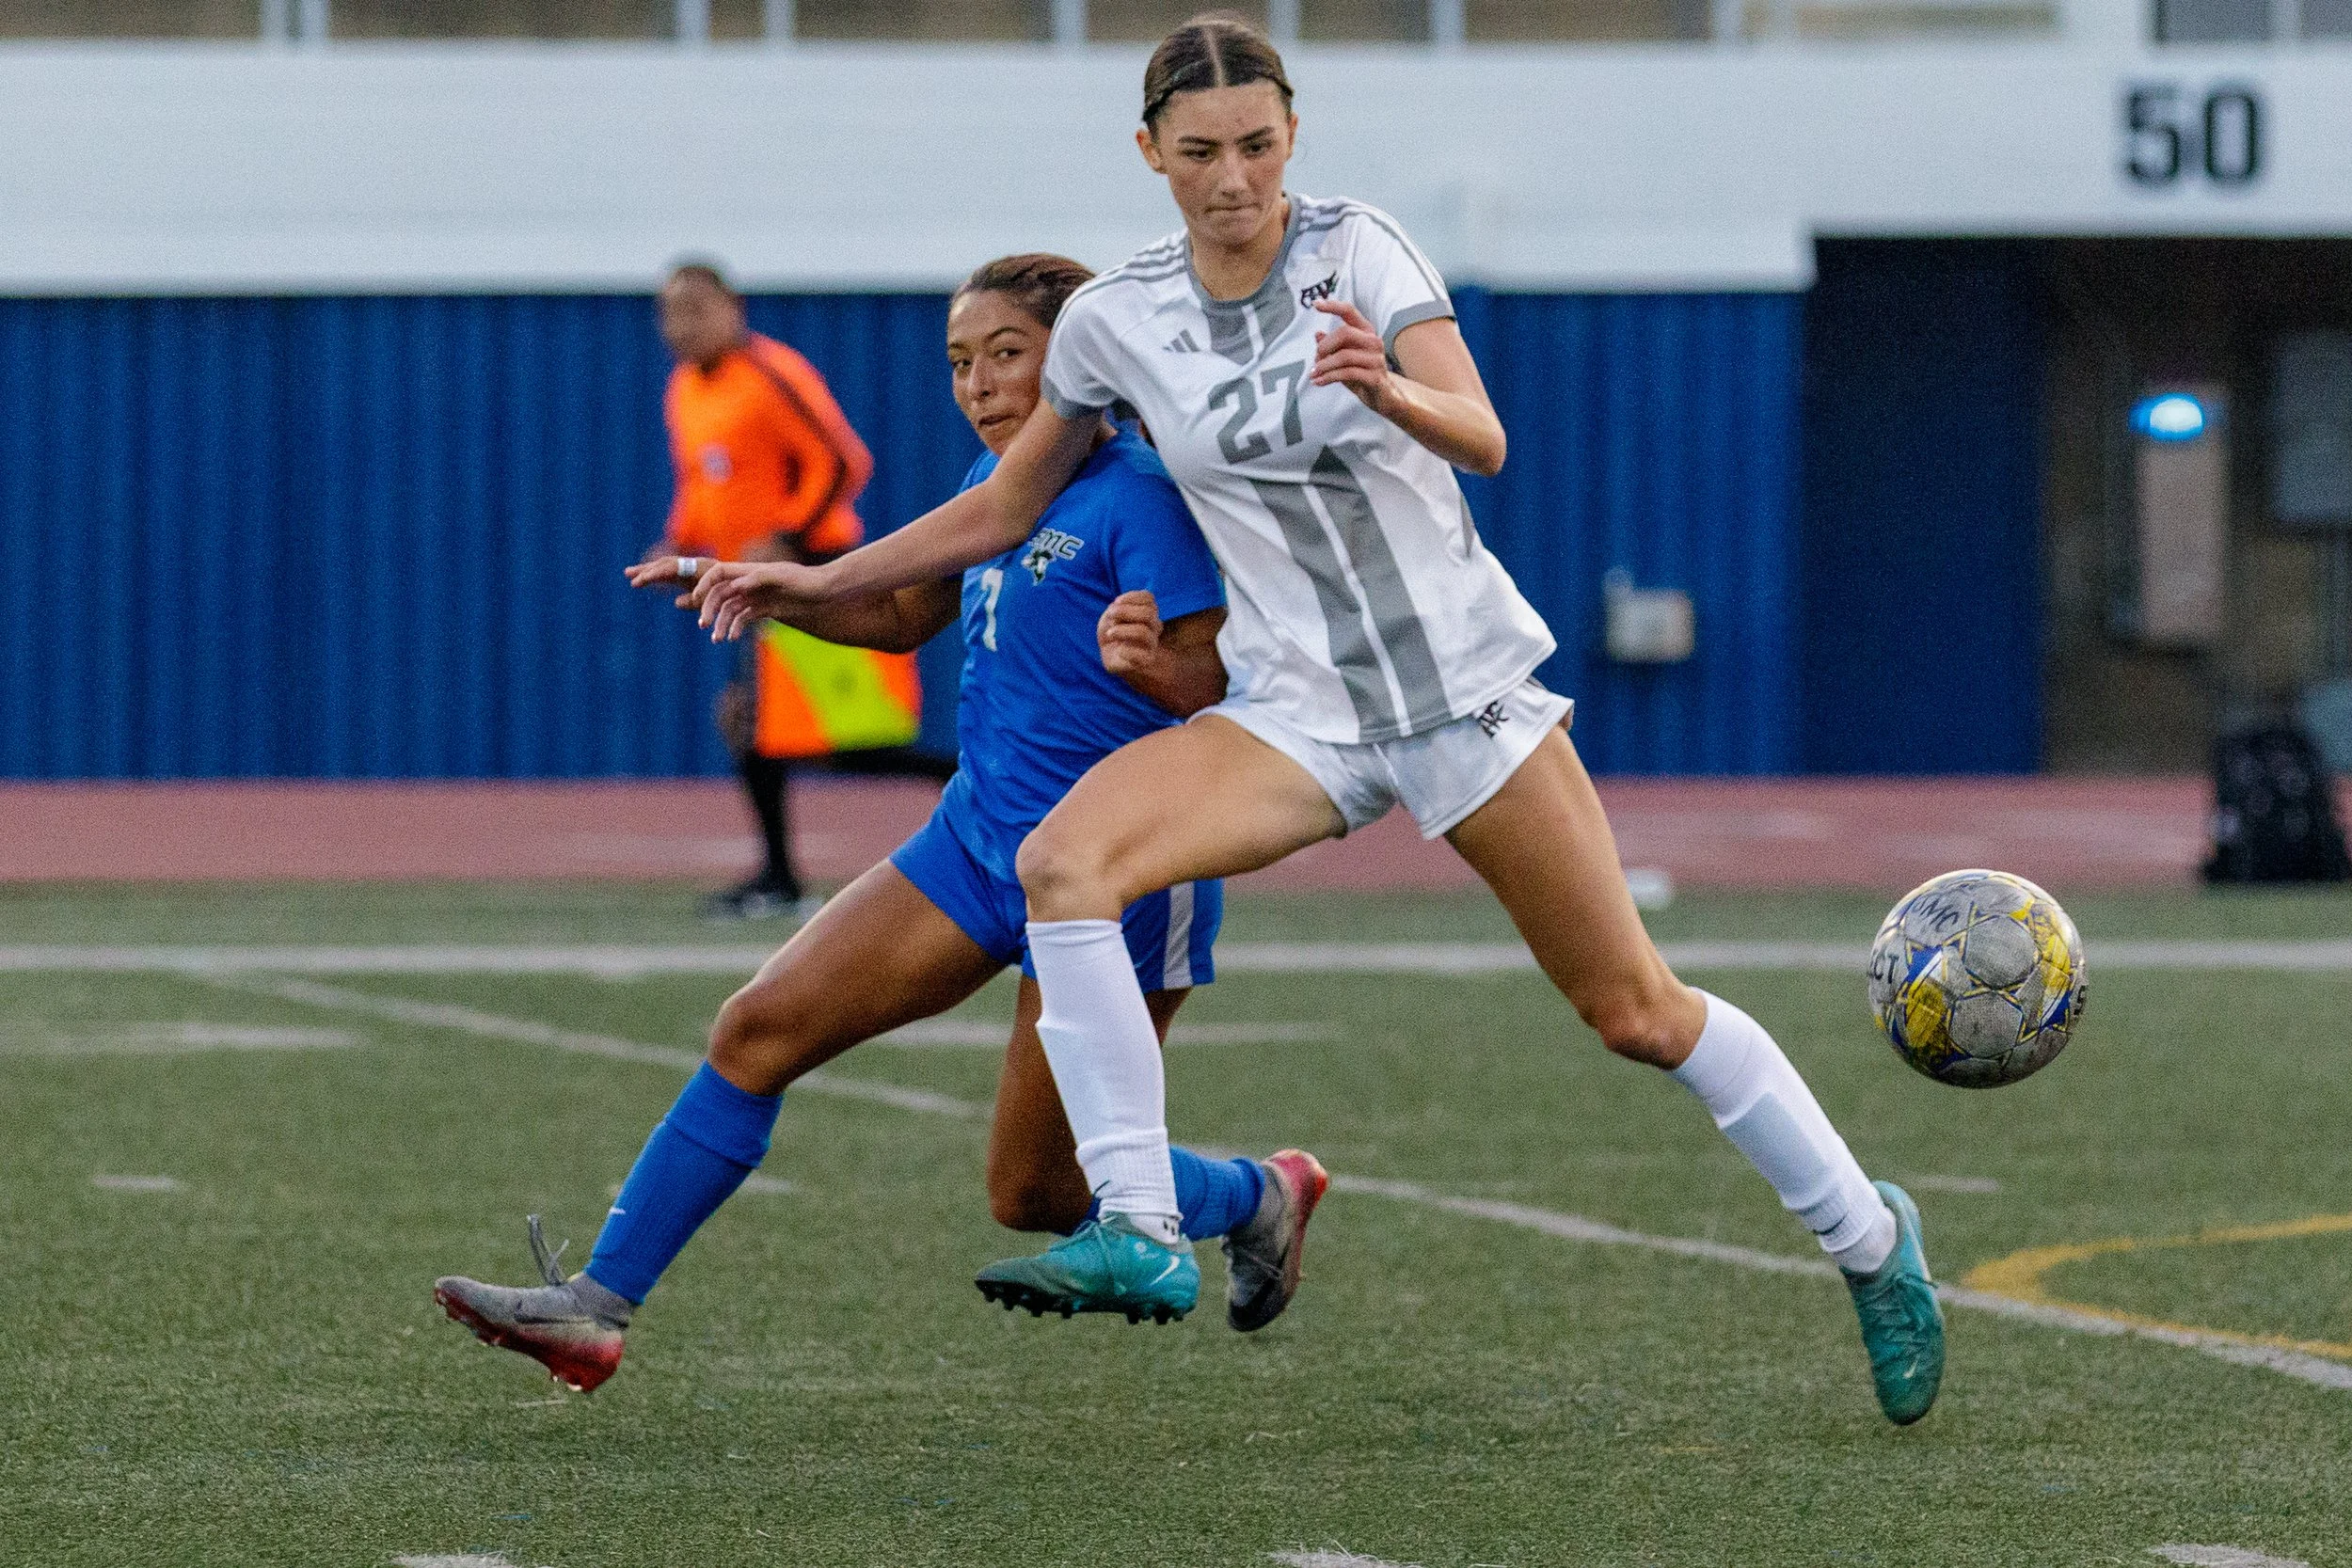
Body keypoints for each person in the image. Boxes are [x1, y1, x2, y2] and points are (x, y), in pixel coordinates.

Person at [672, 13, 1947, 1426]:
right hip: (1297, 713)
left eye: (1261, 146)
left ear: (1294, 138)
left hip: (1458, 695)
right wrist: (812, 577)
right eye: (1203, 151)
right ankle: (1147, 1229)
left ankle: (1871, 1238)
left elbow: (1484, 435)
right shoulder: (1113, 322)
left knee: (1636, 1010)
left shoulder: (1360, 249)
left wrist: (1383, 384)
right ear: (1150, 152)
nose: (1236, 179)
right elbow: (1000, 506)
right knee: (1064, 864)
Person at [433, 253, 1329, 1394]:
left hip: (1117, 874)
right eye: (961, 360)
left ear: (1084, 360)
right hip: (970, 847)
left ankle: (1258, 1193)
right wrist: (780, 590)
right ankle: (595, 1308)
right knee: (757, 1027)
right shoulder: (996, 479)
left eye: (1008, 353)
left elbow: (1215, 685)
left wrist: (1158, 663)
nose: (981, 381)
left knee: (1038, 1192)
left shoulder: (1143, 494)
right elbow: (909, 609)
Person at [655, 260, 874, 921]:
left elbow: (841, 461)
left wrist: (787, 535)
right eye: (670, 311)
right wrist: (678, 542)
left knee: (850, 742)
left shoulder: (771, 372)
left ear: (733, 307)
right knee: (749, 723)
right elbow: (703, 484)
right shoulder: (684, 389)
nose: (681, 325)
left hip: (813, 566)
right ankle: (778, 878)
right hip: (749, 580)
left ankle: (965, 785)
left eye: (697, 307)